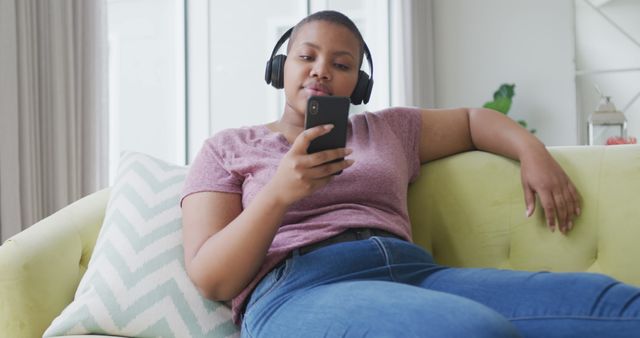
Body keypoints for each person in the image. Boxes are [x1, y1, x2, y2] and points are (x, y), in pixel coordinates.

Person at [180, 10, 640, 338]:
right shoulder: (228, 148)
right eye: (307, 57)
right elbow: (211, 278)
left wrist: (531, 150)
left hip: (410, 271)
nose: (322, 72)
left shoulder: (388, 130)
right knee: (472, 331)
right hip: (297, 290)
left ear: (358, 84)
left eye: (341, 65)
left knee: (615, 305)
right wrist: (279, 194)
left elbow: (472, 121)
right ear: (280, 68)